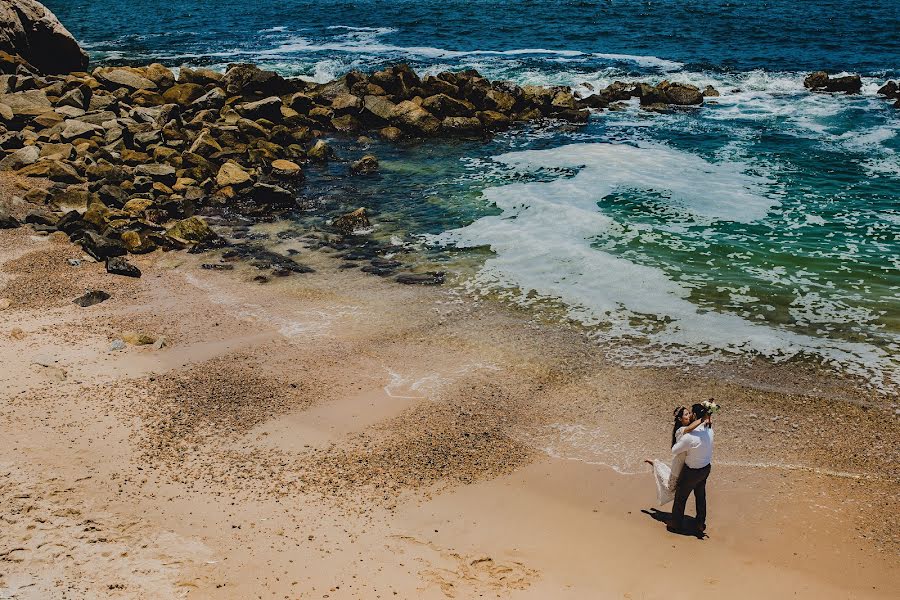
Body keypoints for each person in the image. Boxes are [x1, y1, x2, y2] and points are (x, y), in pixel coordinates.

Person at [668, 403, 714, 534]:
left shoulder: (689, 437)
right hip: (706, 468)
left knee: (680, 498)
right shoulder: (709, 429)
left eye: (690, 413)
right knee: (700, 496)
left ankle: (676, 524)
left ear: (694, 415)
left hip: (692, 472)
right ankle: (700, 523)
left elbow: (674, 450)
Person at [645, 406, 705, 506]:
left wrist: (708, 409)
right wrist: (704, 418)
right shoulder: (680, 430)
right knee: (670, 488)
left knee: (679, 488)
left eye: (689, 413)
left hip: (686, 464)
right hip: (678, 465)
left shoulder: (690, 426)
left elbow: (695, 422)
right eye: (686, 414)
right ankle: (655, 464)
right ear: (680, 419)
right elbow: (690, 427)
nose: (689, 416)